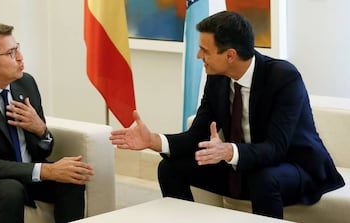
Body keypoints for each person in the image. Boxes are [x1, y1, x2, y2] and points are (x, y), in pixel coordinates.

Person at [110, 11, 344, 219]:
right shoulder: (217, 79)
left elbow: (277, 148)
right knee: (170, 167)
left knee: (263, 178)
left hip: (294, 167)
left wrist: (229, 151)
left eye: (205, 50)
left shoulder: (284, 78)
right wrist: (152, 140)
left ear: (230, 55)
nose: (199, 56)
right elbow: (196, 137)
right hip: (244, 166)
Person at [0, 23, 94, 223]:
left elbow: (44, 151)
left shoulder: (26, 83)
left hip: (29, 171)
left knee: (72, 177)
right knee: (10, 190)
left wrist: (41, 130)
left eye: (18, 48)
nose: (20, 57)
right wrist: (46, 170)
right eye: (11, 53)